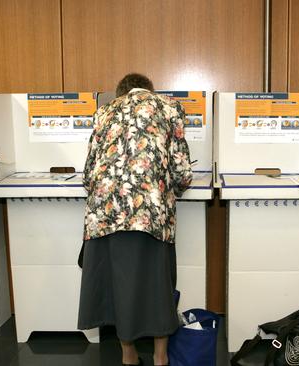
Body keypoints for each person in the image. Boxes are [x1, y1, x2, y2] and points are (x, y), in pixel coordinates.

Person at [77, 73, 192, 366]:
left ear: (120, 93)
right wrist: (173, 185)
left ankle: (128, 357)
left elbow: (89, 174)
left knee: (118, 285)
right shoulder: (168, 107)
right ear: (149, 90)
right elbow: (181, 172)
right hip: (150, 214)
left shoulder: (104, 111)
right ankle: (160, 357)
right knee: (157, 286)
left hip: (106, 215)